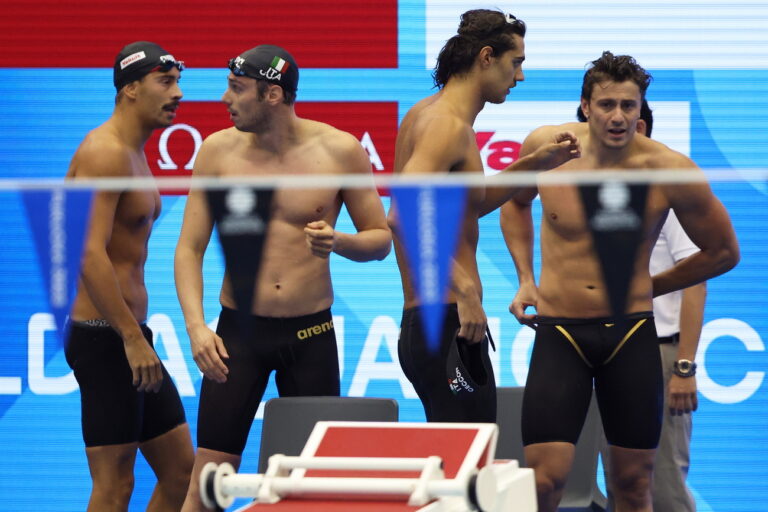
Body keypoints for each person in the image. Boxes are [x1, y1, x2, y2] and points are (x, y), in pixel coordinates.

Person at [499, 51, 738, 512]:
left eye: (629, 106)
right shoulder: (550, 148)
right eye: (607, 104)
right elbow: (513, 203)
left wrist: (655, 285)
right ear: (586, 107)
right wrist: (525, 278)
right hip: (560, 332)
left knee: (632, 486)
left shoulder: (666, 168)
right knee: (543, 484)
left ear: (641, 109)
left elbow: (724, 252)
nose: (618, 116)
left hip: (629, 332)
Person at [174, 44, 392, 511]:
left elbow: (380, 240)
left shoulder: (338, 151)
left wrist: (340, 242)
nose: (223, 99)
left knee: (314, 488)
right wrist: (196, 327)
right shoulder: (217, 152)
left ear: (273, 94)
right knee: (208, 483)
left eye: (236, 88)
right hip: (238, 334)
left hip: (310, 333)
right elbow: (189, 249)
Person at [389, 9, 581, 424]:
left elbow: (466, 207)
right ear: (487, 57)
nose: (520, 77)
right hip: (444, 320)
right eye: (517, 63)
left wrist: (532, 163)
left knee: (458, 465)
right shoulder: (446, 126)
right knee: (469, 470)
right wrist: (465, 289)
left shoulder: (429, 113)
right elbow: (402, 215)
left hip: (434, 322)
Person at [64, 41, 193, 511]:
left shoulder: (135, 153)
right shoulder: (105, 152)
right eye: (166, 82)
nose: (178, 93)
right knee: (115, 484)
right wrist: (129, 338)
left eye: (179, 82)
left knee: (182, 472)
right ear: (130, 89)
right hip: (106, 337)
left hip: (129, 334)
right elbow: (87, 253)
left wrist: (136, 336)